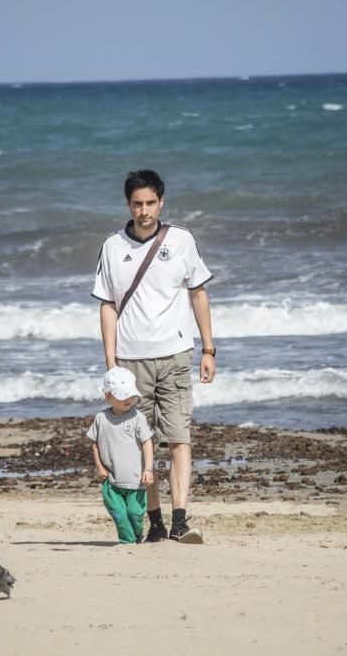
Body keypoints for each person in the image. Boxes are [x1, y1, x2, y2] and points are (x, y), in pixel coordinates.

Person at [92, 169, 216, 544]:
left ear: (161, 202)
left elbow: (198, 294)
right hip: (130, 363)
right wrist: (111, 363)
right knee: (136, 447)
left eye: (150, 203)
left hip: (177, 355)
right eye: (137, 203)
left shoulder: (182, 240)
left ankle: (180, 520)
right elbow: (108, 307)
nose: (144, 210)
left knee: (179, 438)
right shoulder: (112, 247)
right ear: (128, 204)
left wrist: (209, 349)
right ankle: (156, 522)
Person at [86, 367, 156, 544]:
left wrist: (148, 469)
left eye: (130, 395)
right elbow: (94, 443)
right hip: (111, 480)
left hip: (135, 480)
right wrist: (99, 467)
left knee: (135, 513)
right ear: (108, 395)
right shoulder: (101, 418)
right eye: (122, 395)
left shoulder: (137, 417)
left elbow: (147, 442)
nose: (128, 399)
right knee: (118, 513)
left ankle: (138, 533)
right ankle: (127, 540)